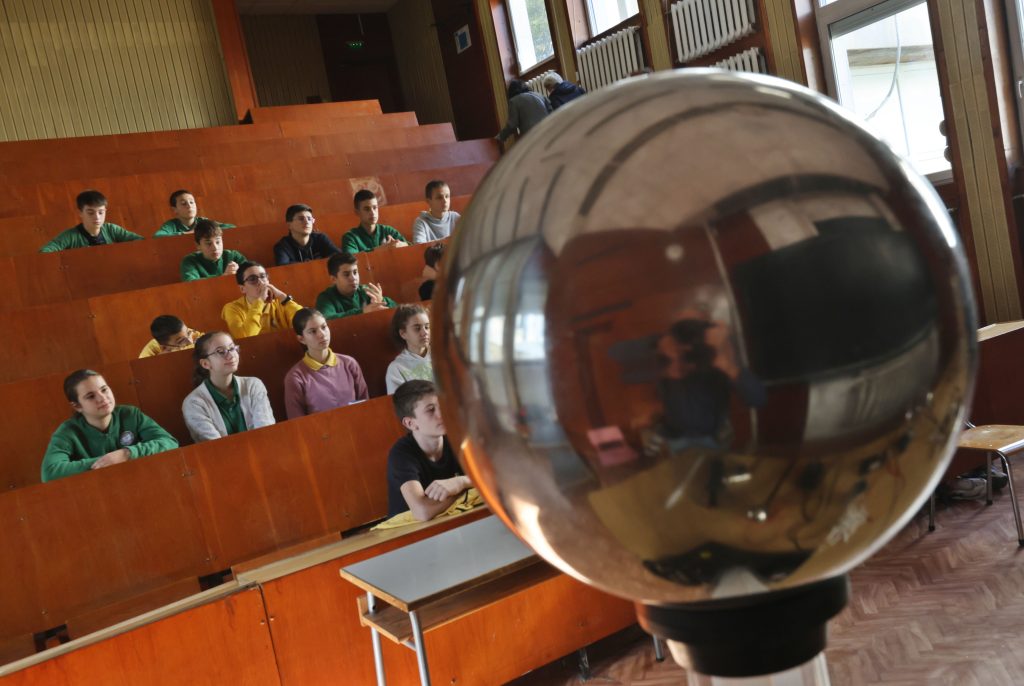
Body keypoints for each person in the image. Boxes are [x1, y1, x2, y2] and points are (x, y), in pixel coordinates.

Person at [41, 369, 179, 482]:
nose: (102, 398)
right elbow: (50, 473)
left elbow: (169, 442)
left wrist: (127, 454)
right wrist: (106, 462)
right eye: (91, 396)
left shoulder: (130, 414)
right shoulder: (67, 432)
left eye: (104, 389)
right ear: (77, 406)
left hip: (141, 479)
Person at [386, 379, 471, 520]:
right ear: (410, 423)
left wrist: (460, 482)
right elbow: (423, 512)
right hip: (412, 530)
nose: (442, 413)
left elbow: (492, 478)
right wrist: (464, 488)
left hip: (453, 520)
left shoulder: (458, 437)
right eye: (431, 410)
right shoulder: (400, 454)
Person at [182, 332, 275, 442]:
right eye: (221, 352)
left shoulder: (253, 385)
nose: (231, 355)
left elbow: (266, 430)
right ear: (205, 364)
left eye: (232, 348)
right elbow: (215, 446)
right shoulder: (193, 403)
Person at [283, 308, 369, 419]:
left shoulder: (349, 363)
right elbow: (296, 420)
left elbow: (365, 404)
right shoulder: (295, 377)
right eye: (313, 331)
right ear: (301, 339)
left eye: (324, 327)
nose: (322, 334)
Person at [40, 190, 143, 252]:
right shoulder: (70, 236)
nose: (97, 217)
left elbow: (141, 241)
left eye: (101, 212)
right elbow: (44, 252)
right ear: (80, 213)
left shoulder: (111, 229)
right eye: (90, 213)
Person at [222, 261, 303, 339]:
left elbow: (304, 322)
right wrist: (260, 301)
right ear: (242, 289)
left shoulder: (281, 301)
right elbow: (246, 338)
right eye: (252, 279)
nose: (261, 282)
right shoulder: (232, 308)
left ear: (268, 280)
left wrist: (283, 297)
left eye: (263, 276)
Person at [315, 252, 396, 320]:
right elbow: (327, 320)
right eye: (346, 274)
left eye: (355, 272)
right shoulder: (325, 298)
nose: (353, 278)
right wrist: (362, 312)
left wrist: (381, 300)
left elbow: (396, 309)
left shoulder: (366, 291)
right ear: (333, 279)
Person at [340, 190, 408, 253]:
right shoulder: (350, 237)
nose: (372, 213)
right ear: (357, 212)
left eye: (375, 208)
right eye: (367, 209)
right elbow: (351, 258)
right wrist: (381, 249)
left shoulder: (388, 231)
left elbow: (409, 246)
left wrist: (398, 244)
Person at [386, 304, 433, 394]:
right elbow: (399, 400)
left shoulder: (444, 355)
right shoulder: (396, 368)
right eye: (417, 328)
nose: (425, 332)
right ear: (403, 333)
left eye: (427, 327)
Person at [273, 203, 342, 265]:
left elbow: (339, 257)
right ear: (289, 225)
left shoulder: (320, 238)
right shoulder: (282, 246)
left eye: (309, 219)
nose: (307, 222)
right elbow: (283, 268)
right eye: (301, 219)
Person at [180, 219, 247, 281]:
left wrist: (240, 273)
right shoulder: (190, 261)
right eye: (208, 243)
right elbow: (191, 283)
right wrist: (224, 276)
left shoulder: (233, 256)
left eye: (218, 242)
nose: (215, 248)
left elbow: (250, 272)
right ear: (198, 245)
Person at [154, 189, 235, 237]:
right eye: (183, 203)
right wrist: (186, 233)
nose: (189, 206)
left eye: (192, 202)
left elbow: (231, 227)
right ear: (174, 209)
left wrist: (206, 231)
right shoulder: (171, 225)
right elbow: (158, 236)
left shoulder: (203, 221)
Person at [495, 79, 552, 144]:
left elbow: (512, 125)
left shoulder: (514, 101)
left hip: (531, 138)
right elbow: (552, 112)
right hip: (548, 132)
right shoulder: (540, 95)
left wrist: (500, 137)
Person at [138, 315, 204, 358]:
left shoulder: (190, 334)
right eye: (181, 341)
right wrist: (161, 360)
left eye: (189, 333)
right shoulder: (149, 353)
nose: (190, 341)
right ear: (164, 347)